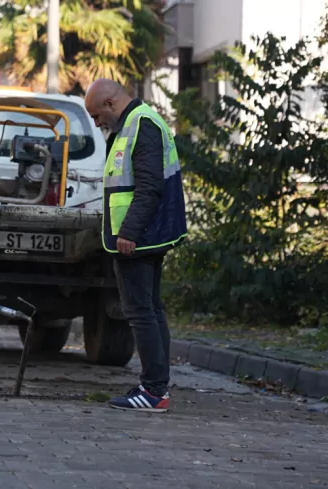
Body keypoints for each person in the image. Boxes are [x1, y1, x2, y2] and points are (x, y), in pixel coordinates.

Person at [84, 79, 188, 413]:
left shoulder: (141, 125)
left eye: (96, 115)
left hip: (137, 238)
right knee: (150, 310)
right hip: (143, 235)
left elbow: (149, 186)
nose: (96, 123)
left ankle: (154, 390)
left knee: (141, 312)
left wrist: (129, 232)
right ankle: (156, 387)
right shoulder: (133, 123)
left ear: (110, 103)